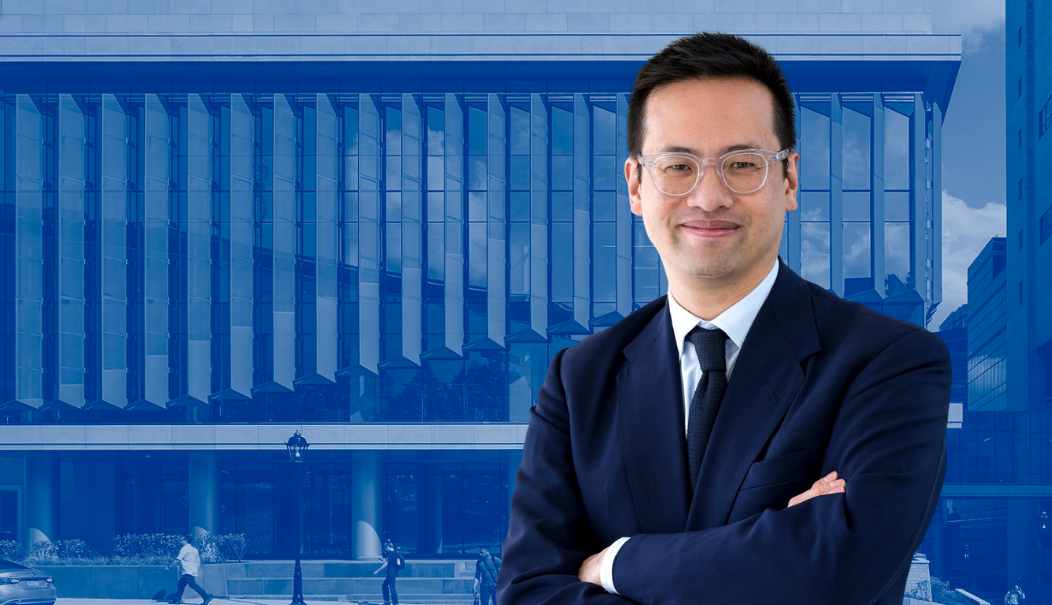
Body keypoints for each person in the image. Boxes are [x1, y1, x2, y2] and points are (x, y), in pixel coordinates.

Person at [497, 31, 951, 605]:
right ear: (637, 185)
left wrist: (618, 562)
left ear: (788, 180)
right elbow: (527, 593)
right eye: (678, 165)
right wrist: (774, 552)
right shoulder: (578, 379)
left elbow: (839, 567)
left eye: (742, 164)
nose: (709, 197)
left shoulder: (890, 362)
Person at [166, 535, 212, 605]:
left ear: (185, 541)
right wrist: (196, 569)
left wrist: (169, 566)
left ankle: (206, 597)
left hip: (186, 570)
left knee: (193, 585)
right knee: (181, 584)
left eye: (182, 540)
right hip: (191, 569)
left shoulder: (184, 548)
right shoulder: (194, 549)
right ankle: (177, 600)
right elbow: (198, 561)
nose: (181, 541)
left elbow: (178, 559)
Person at [372, 539, 403, 605]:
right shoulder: (394, 553)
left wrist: (377, 570)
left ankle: (395, 603)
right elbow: (390, 562)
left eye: (385, 548)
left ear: (388, 547)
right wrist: (384, 560)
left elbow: (386, 563)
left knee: (392, 587)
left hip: (391, 572)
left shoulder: (391, 553)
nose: (385, 550)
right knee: (384, 585)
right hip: (392, 572)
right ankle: (387, 601)